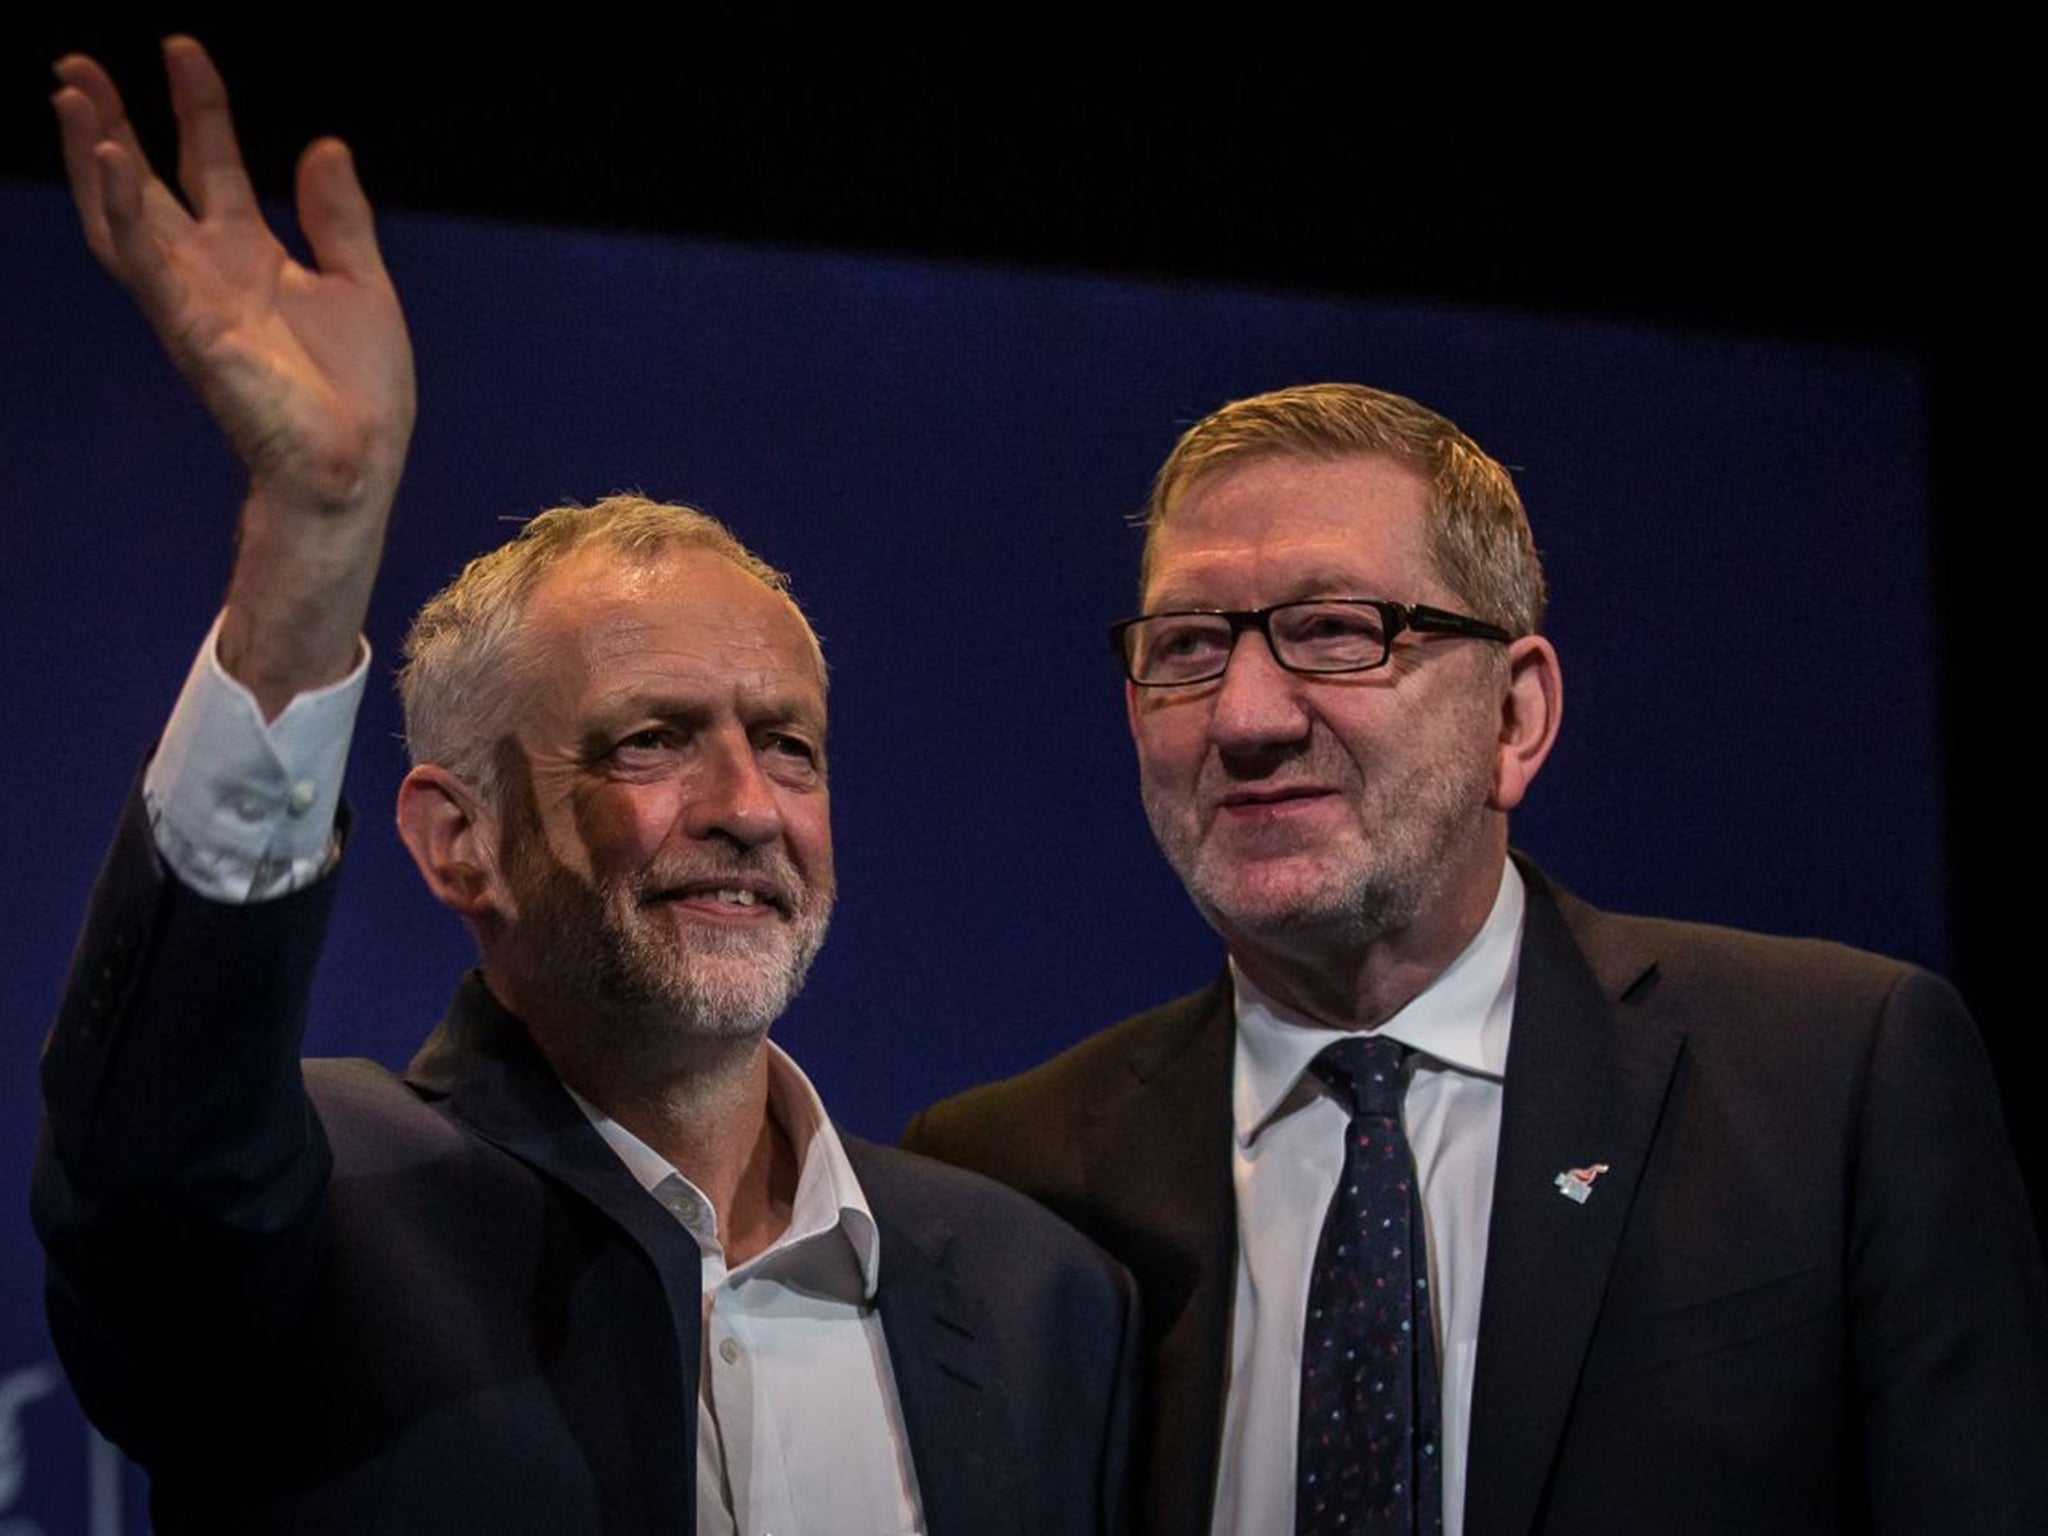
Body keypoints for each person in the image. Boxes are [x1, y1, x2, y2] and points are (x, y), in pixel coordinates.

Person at [33, 38, 1135, 1536]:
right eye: (652, 740)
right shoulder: (321, 1214)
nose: (748, 804)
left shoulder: (1038, 1295)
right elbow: (155, 1141)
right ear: (457, 837)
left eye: (789, 743)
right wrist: (317, 528)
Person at [905, 382, 2048, 1536]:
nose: (1245, 717)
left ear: (1514, 717)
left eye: (1335, 630)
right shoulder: (1009, 1178)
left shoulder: (1832, 1078)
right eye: (1190, 646)